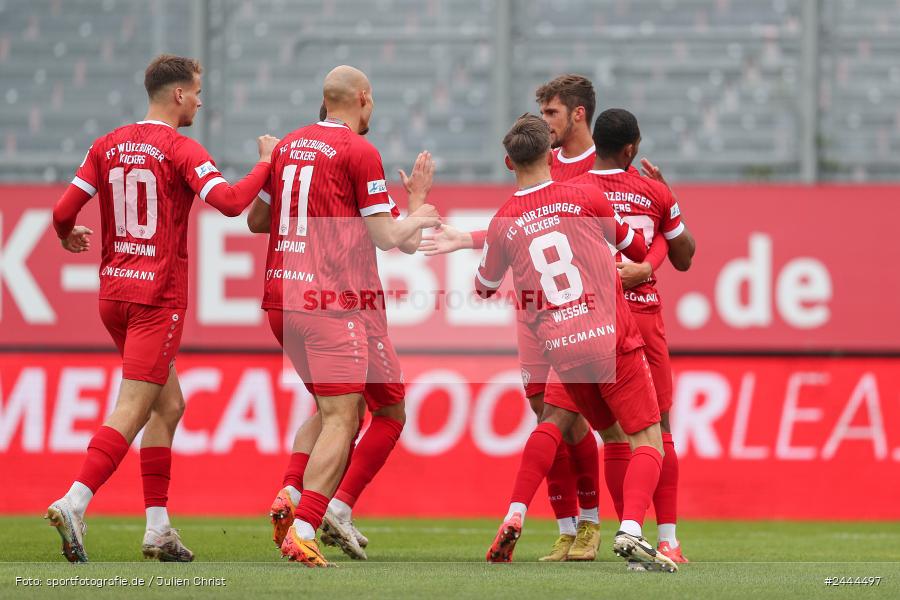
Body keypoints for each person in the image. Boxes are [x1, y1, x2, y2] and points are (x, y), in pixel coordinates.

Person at [47, 54, 278, 563]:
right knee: (132, 407)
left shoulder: (106, 144)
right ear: (178, 95)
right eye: (197, 91)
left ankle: (157, 528)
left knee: (169, 405)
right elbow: (234, 203)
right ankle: (75, 501)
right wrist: (267, 160)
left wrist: (67, 235)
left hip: (114, 295)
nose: (200, 99)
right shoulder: (181, 148)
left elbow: (63, 211)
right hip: (156, 299)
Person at [249, 65, 440, 567]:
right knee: (353, 415)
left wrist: (411, 208)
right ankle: (311, 521)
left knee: (334, 409)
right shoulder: (359, 151)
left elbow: (255, 220)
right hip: (334, 303)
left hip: (281, 302)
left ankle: (292, 495)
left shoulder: (288, 146)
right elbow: (388, 238)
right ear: (363, 98)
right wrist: (417, 213)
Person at [476, 114, 676, 572]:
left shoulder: (503, 219)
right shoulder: (584, 192)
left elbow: (485, 286)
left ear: (509, 162)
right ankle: (631, 532)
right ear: (551, 155)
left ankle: (517, 511)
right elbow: (636, 248)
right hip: (610, 334)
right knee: (647, 438)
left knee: (601, 432)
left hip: (561, 349)